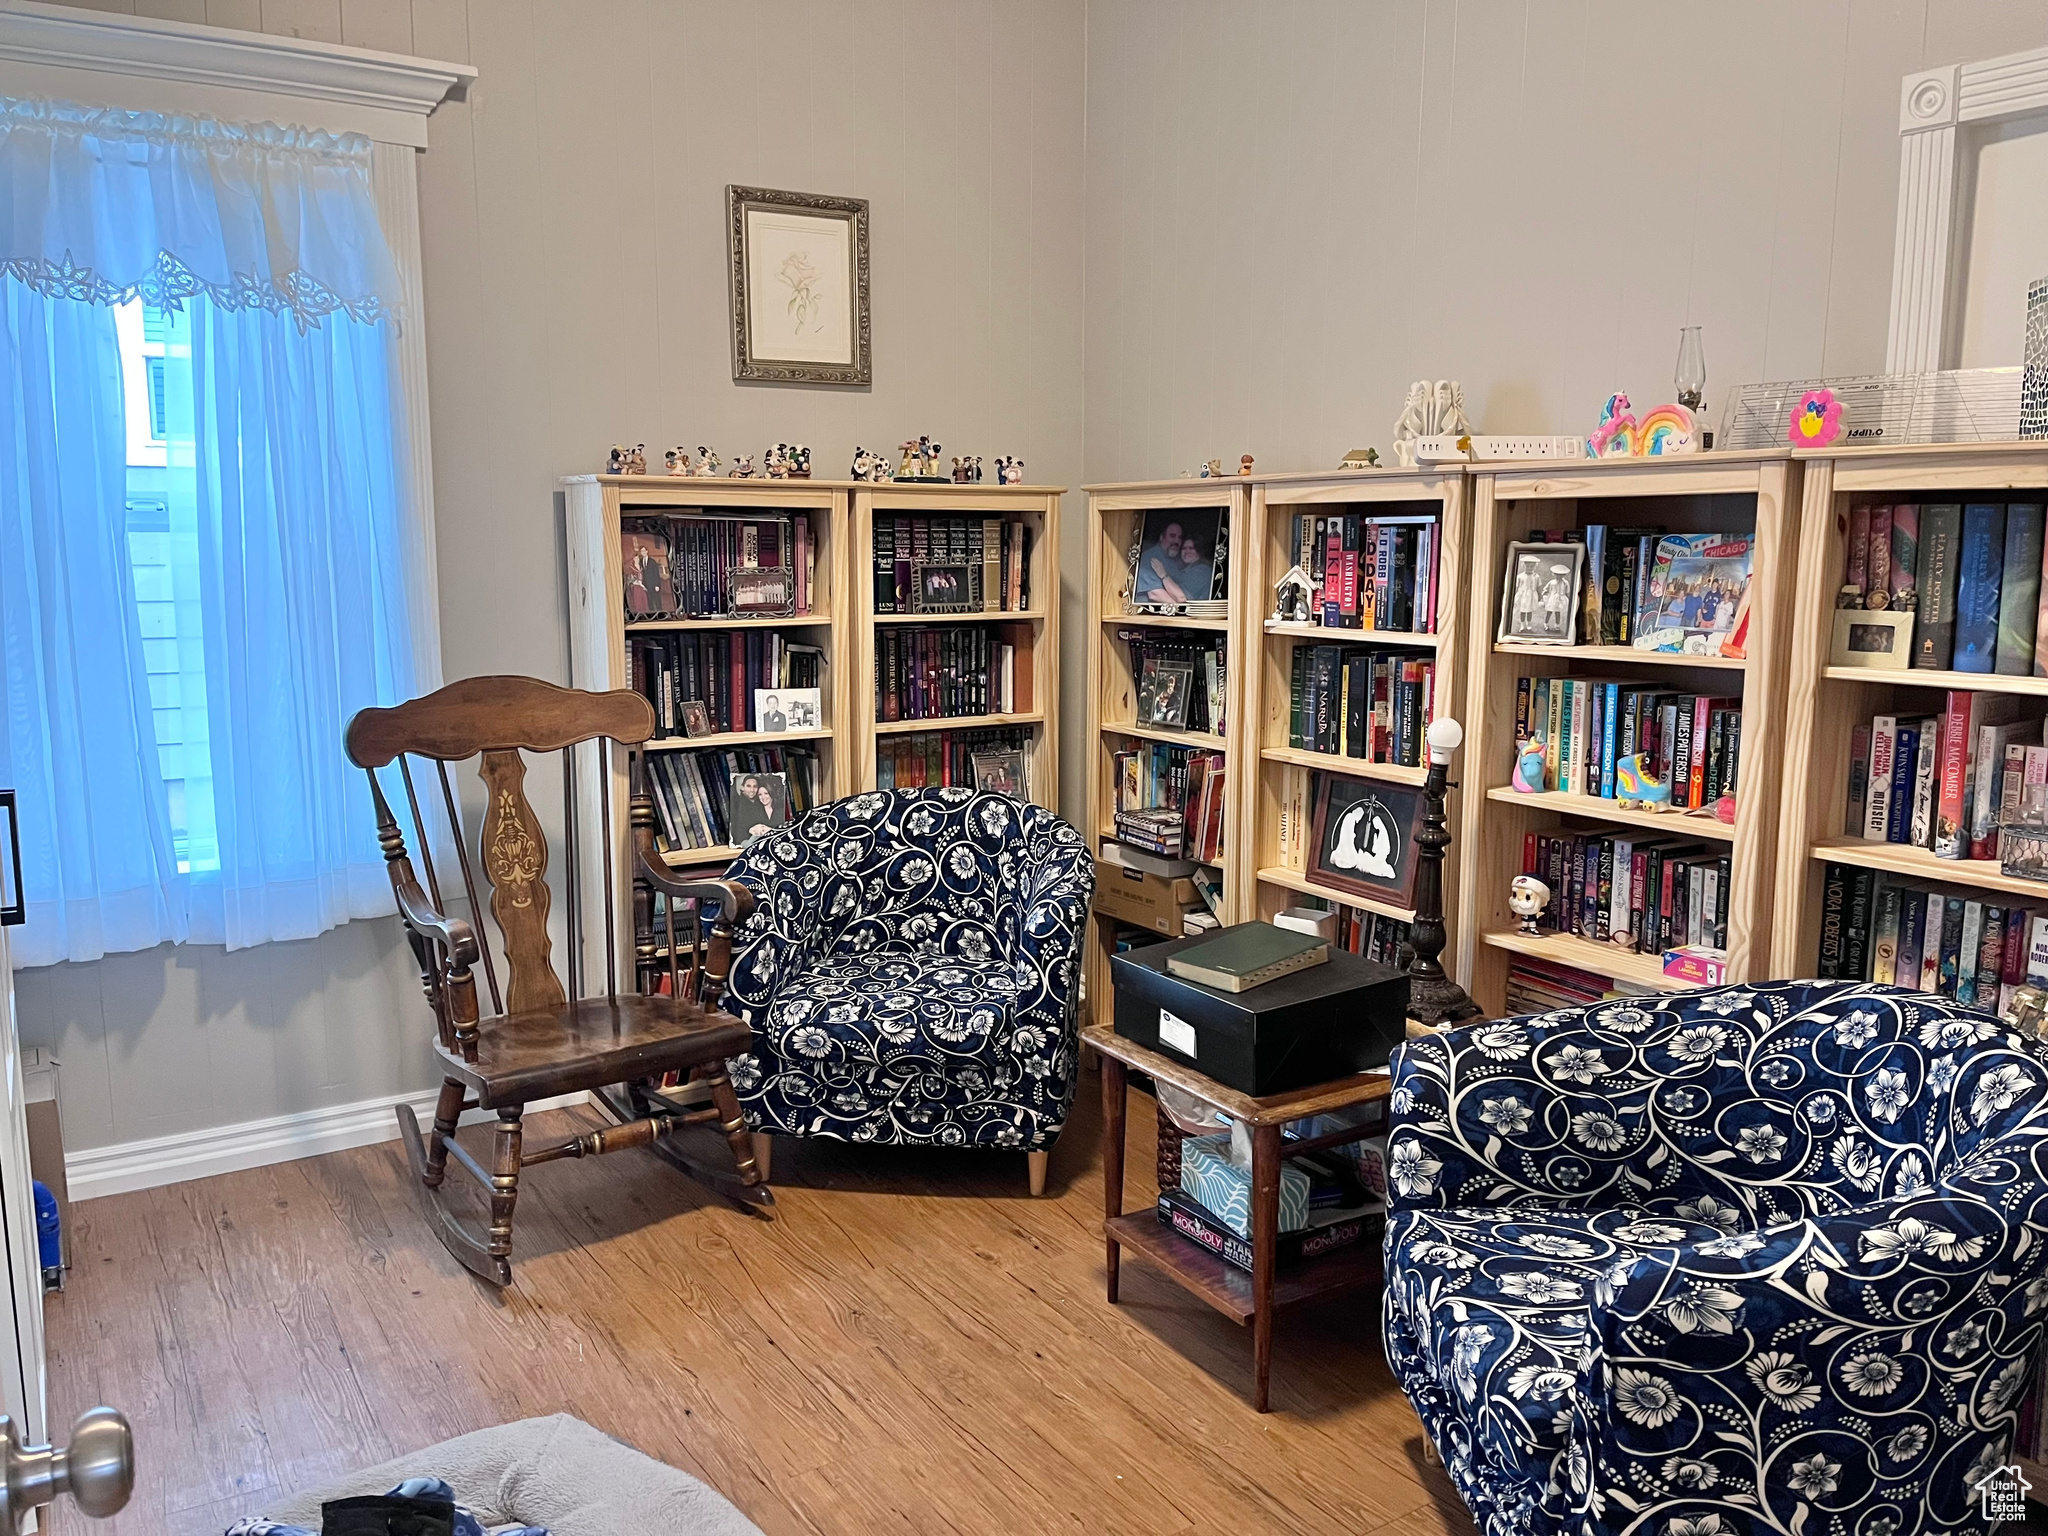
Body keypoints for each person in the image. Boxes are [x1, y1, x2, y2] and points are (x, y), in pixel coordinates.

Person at [1135, 521, 1187, 603]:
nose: (1177, 541)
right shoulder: (1150, 557)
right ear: (1162, 537)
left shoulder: (1177, 560)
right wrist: (1182, 610)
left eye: (1180, 537)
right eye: (1172, 536)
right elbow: (1155, 594)